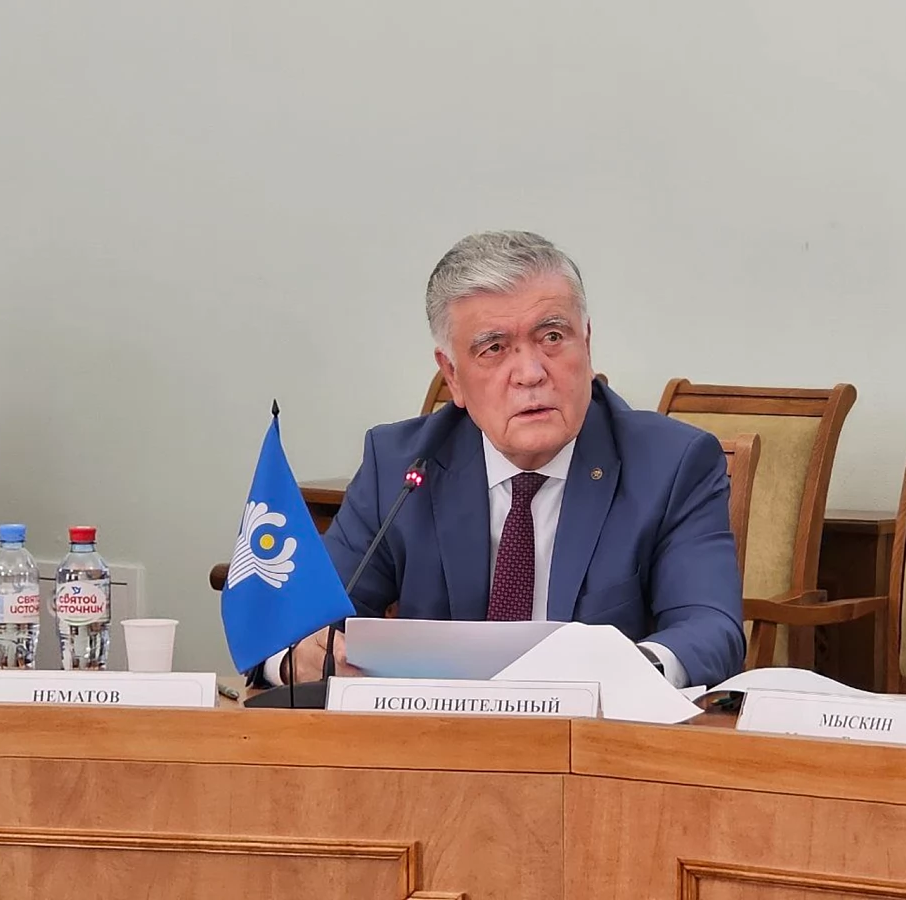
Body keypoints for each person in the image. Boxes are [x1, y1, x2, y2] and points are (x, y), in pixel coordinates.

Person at [253, 230, 744, 689]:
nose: (530, 373)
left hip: (594, 735)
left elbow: (710, 627)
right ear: (453, 376)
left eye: (553, 337)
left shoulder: (672, 465)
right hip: (437, 737)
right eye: (493, 348)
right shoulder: (400, 468)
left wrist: (626, 672)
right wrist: (298, 659)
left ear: (587, 343)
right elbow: (301, 624)